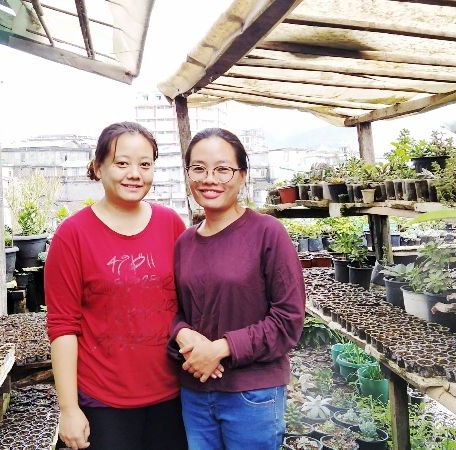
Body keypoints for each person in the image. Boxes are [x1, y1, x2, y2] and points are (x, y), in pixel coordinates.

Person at [45, 122, 188, 450]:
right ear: (98, 167)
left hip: (173, 395)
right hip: (104, 401)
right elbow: (63, 326)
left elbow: (188, 304)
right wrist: (69, 409)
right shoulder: (73, 235)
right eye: (122, 163)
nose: (134, 174)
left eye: (145, 164)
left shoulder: (170, 225)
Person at [169, 128, 306, 450]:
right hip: (195, 392)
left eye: (222, 169)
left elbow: (289, 319)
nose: (209, 179)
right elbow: (174, 310)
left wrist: (220, 349)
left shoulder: (266, 232)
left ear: (242, 175)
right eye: (198, 168)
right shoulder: (184, 242)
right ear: (188, 175)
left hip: (252, 393)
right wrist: (183, 333)